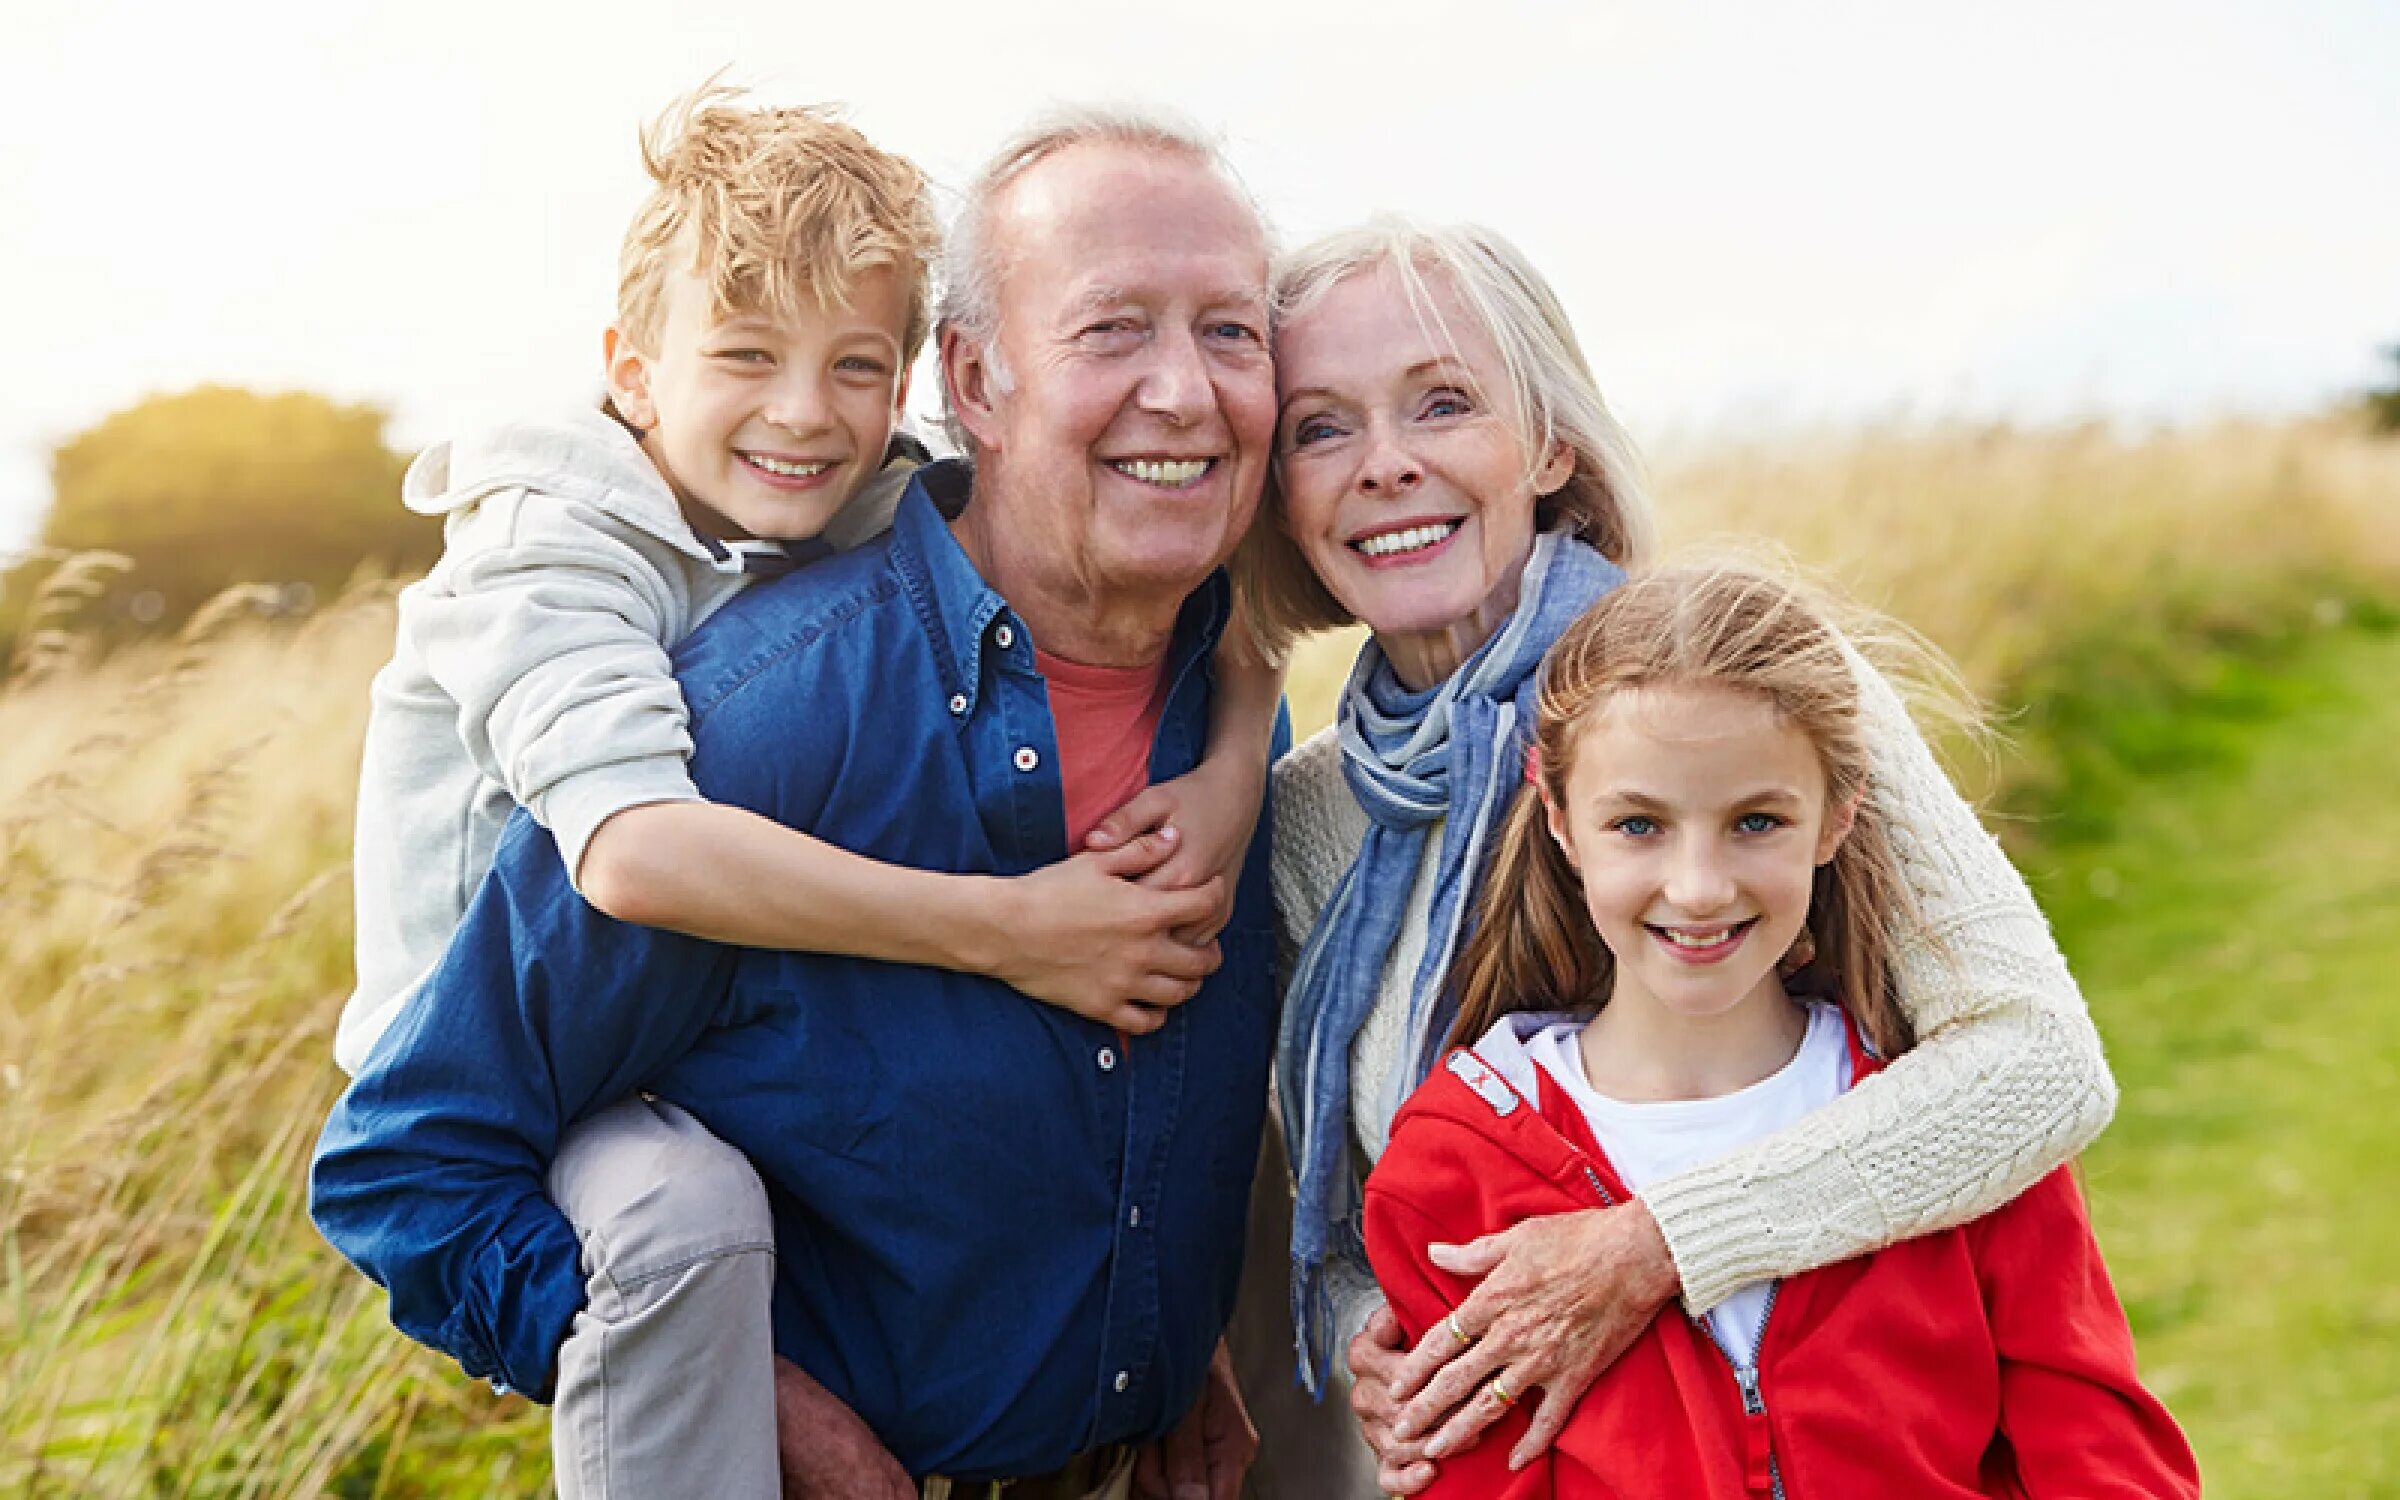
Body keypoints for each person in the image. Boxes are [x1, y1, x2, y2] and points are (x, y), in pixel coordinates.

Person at [313, 107, 1283, 1500]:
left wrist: (1164, 1331)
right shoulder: (716, 699)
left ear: (903, 388)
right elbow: (412, 1163)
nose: (1183, 392)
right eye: (1113, 330)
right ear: (980, 386)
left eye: (1230, 331)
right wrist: (734, 1399)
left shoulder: (1214, 685)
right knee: (673, 1210)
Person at [1229, 221, 2119, 1496]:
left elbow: (2039, 1070)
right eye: (1322, 427)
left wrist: (1655, 1248)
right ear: (1280, 491)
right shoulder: (1315, 817)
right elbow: (1373, 1196)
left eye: (1443, 403)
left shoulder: (1743, 695)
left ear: (1550, 442)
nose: (1386, 465)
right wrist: (1378, 1331)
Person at [1361, 564, 2199, 1498]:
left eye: (1755, 821)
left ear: (1838, 816)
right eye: (1638, 825)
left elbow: (2103, 1464)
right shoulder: (1452, 1171)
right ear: (1559, 818)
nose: (1700, 887)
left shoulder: (1958, 1127)